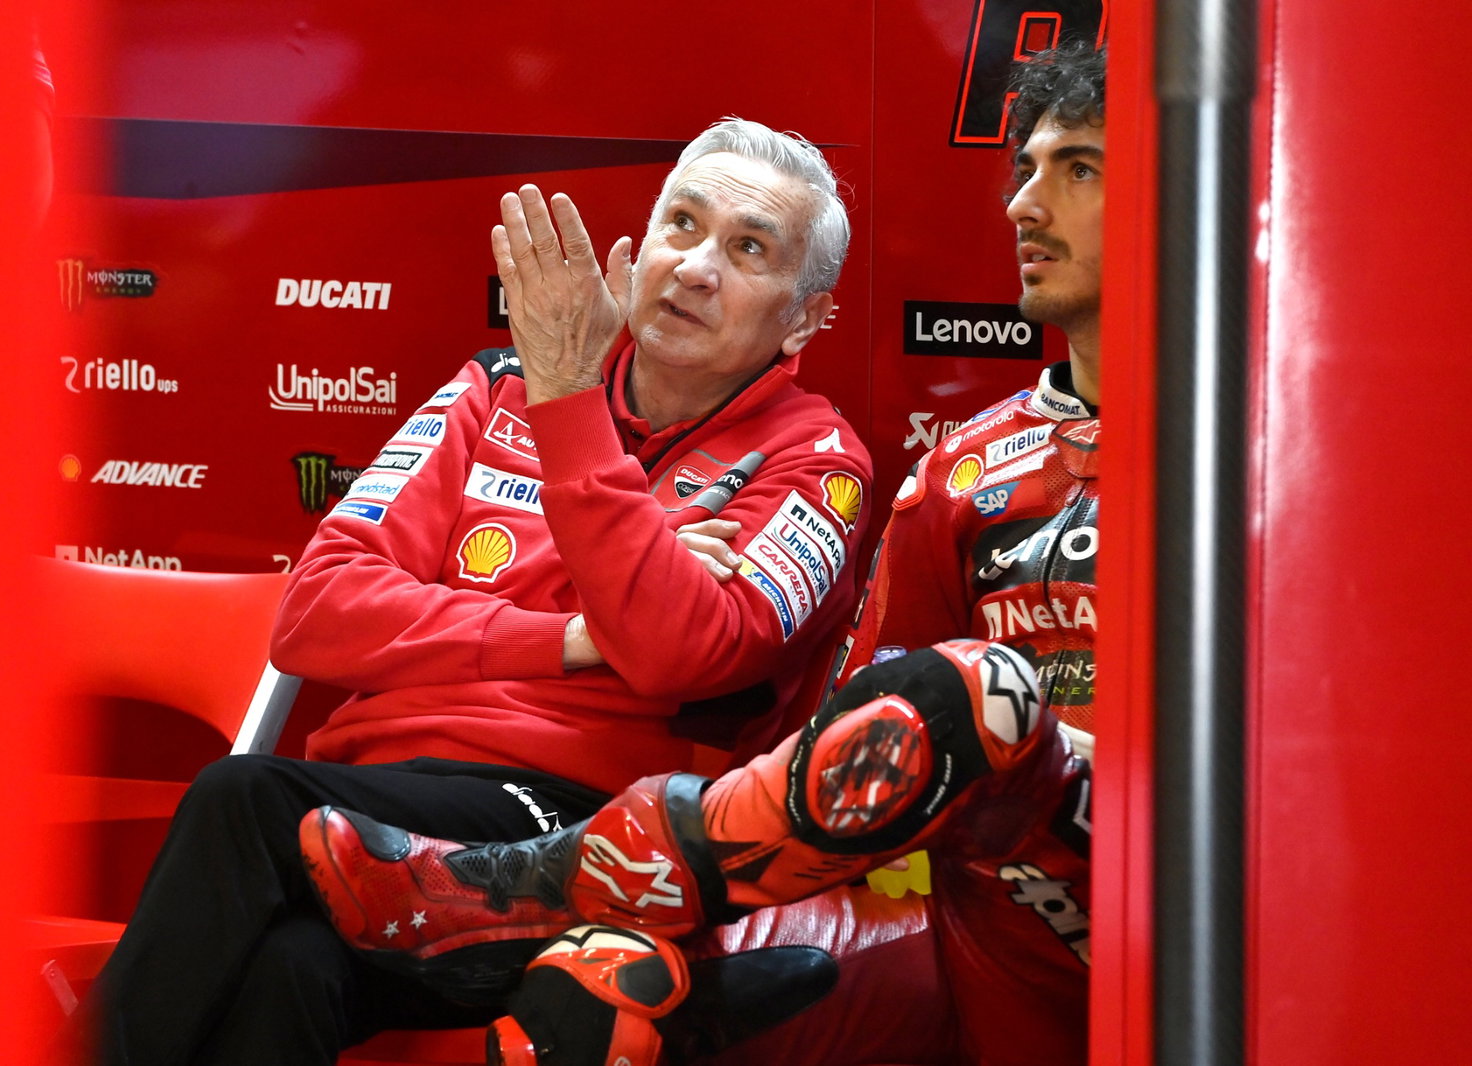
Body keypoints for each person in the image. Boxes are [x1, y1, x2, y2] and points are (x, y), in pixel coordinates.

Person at [300, 41, 1105, 1066]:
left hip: (1189, 860)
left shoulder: (1287, 456)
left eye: (1077, 170)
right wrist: (581, 627)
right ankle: (591, 913)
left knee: (987, 692)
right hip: (1006, 904)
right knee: (594, 994)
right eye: (1026, 170)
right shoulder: (965, 466)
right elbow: (855, 733)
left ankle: (546, 881)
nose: (1023, 206)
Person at [68, 117, 875, 1066]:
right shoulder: (492, 390)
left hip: (586, 834)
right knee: (295, 967)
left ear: (807, 316)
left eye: (748, 249)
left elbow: (673, 652)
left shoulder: (817, 462)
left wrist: (568, 395)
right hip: (390, 793)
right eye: (683, 225)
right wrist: (574, 636)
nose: (697, 267)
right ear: (644, 241)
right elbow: (315, 611)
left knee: (246, 801)